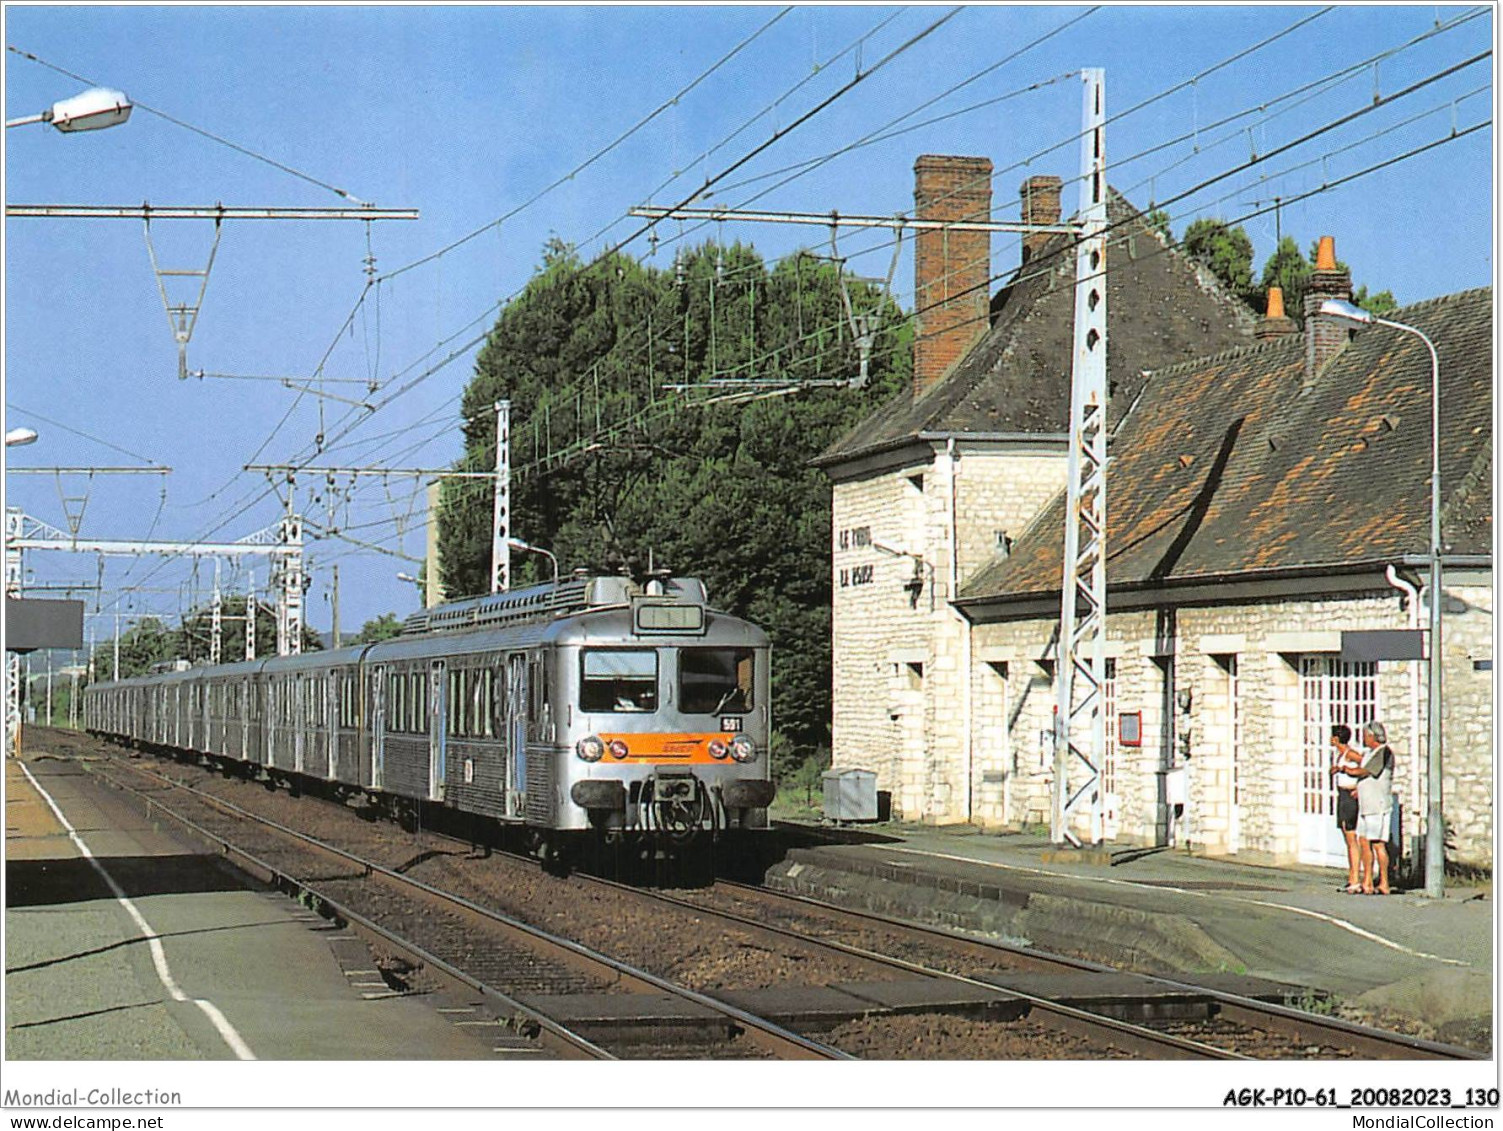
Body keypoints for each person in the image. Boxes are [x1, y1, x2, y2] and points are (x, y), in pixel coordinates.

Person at [1346, 720, 1395, 894]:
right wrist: (1358, 789)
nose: (1364, 738)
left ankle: (1384, 882)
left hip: (1377, 805)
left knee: (1377, 844)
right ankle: (1367, 880)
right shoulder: (1369, 753)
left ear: (1371, 735)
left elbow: (1367, 771)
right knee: (1363, 841)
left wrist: (1348, 770)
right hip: (1366, 804)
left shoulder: (1384, 753)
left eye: (1366, 735)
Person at [1327, 724, 1364, 893]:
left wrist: (1359, 787)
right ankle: (1352, 877)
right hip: (1342, 795)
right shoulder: (1341, 755)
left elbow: (1365, 766)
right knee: (1346, 835)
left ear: (1336, 738)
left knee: (1351, 837)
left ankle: (1355, 878)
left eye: (1332, 736)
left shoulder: (1350, 754)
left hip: (1350, 796)